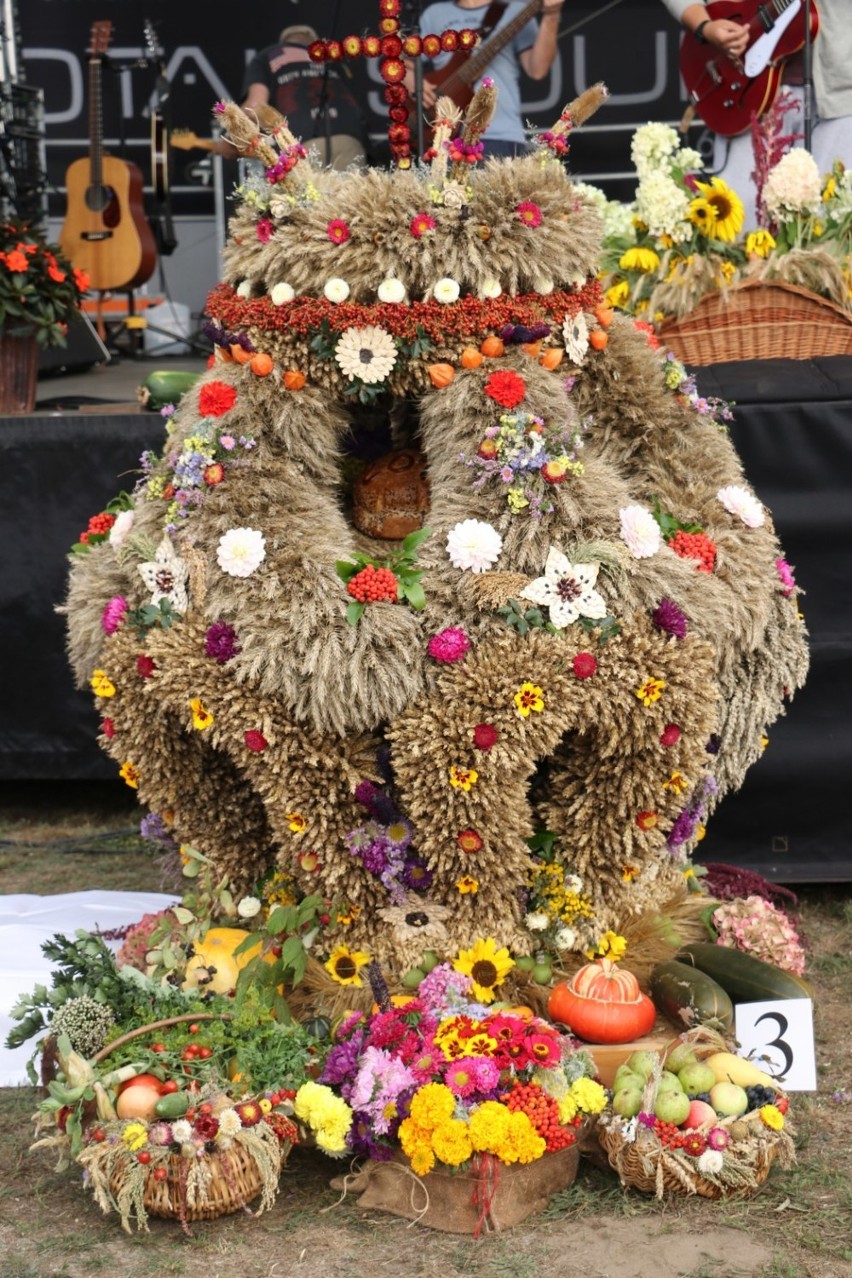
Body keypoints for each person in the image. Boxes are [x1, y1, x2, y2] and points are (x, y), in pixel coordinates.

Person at [663, 1, 852, 225]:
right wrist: (705, 25)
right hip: (747, 87)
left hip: (840, 87)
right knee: (740, 221)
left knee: (835, 221)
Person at [414, 0, 566, 157]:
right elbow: (404, 62)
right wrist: (416, 85)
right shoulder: (434, 14)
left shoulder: (517, 10)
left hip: (501, 135)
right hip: (445, 139)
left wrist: (551, 15)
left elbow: (538, 70)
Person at [239, 23, 369, 169]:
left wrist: (230, 140)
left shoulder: (267, 56)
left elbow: (255, 106)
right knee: (350, 191)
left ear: (284, 43)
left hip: (300, 142)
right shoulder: (332, 59)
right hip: (349, 138)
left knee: (307, 192)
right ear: (314, 42)